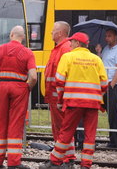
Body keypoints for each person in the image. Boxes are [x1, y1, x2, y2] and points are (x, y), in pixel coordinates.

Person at [39, 32, 108, 169]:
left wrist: (60, 101)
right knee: (90, 135)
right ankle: (86, 165)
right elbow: (104, 84)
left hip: (73, 102)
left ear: (77, 43)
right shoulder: (96, 59)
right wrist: (97, 96)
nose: (69, 44)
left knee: (66, 131)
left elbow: (59, 81)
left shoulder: (68, 57)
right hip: (92, 104)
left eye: (71, 42)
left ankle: (54, 161)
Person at [0, 25, 37, 169]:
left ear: (11, 34)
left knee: (1, 122)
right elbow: (33, 76)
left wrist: (2, 66)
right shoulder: (27, 52)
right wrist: (28, 87)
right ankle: (14, 163)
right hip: (19, 88)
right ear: (23, 37)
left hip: (3, 86)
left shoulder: (1, 49)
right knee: (16, 123)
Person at [44, 21, 76, 166]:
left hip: (59, 97)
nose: (51, 33)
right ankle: (64, 157)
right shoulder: (59, 48)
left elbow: (65, 74)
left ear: (61, 33)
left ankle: (65, 159)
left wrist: (61, 97)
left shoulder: (65, 49)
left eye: (53, 30)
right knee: (59, 128)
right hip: (55, 95)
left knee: (63, 128)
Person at [95, 29, 117, 148]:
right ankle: (116, 140)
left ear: (115, 37)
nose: (107, 38)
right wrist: (99, 53)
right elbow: (102, 64)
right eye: (106, 36)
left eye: (109, 36)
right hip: (108, 85)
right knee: (112, 113)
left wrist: (111, 85)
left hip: (115, 85)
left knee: (113, 113)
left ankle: (116, 142)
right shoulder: (106, 48)